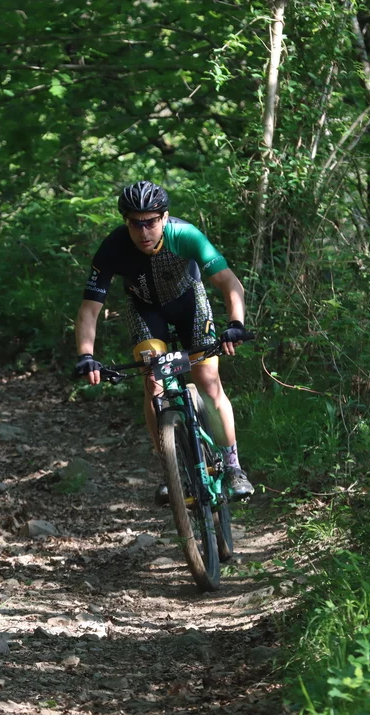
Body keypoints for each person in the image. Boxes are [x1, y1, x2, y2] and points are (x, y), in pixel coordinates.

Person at [73, 180, 254, 504]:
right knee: (153, 382)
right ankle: (171, 470)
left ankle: (233, 467)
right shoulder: (113, 247)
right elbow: (89, 309)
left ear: (165, 217)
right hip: (145, 310)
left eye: (151, 222)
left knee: (208, 381)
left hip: (189, 303)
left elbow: (229, 283)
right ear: (125, 221)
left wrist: (236, 324)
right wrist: (86, 356)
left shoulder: (185, 235)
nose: (144, 231)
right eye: (135, 223)